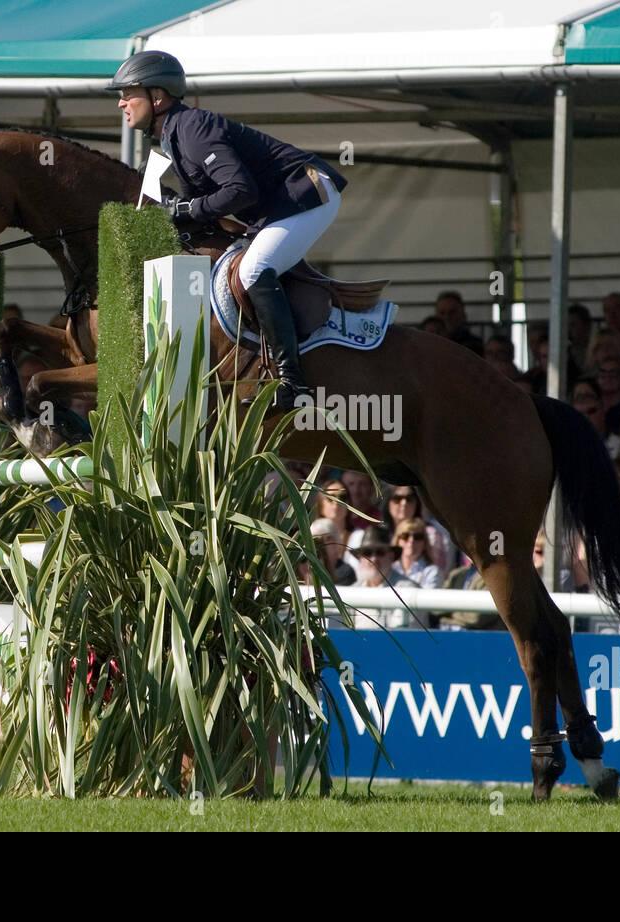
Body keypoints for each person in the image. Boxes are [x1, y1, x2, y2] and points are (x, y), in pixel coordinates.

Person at [109, 49, 347, 411]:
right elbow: (203, 205)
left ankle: (293, 383)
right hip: (275, 208)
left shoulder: (192, 128)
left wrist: (187, 209)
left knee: (254, 270)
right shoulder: (171, 137)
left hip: (308, 192)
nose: (122, 103)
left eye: (129, 94)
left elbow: (239, 191)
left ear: (156, 97)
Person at [352, 526, 421, 629]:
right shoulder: (352, 592)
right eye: (367, 553)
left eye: (380, 552)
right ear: (360, 559)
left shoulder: (409, 590)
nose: (374, 559)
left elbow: (415, 636)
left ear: (391, 556)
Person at [383, 485, 454, 572]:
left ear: (417, 503)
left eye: (409, 499)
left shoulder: (431, 534)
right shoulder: (381, 533)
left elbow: (441, 569)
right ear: (389, 503)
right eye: (397, 499)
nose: (404, 503)